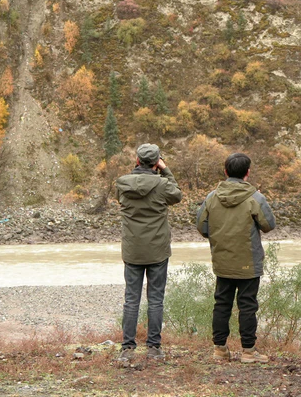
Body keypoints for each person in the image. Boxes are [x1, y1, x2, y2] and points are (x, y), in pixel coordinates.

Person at [197, 153, 276, 364]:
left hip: (222, 259)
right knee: (247, 305)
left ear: (225, 171)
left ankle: (219, 349)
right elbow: (269, 225)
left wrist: (218, 237)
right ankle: (248, 351)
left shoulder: (212, 197)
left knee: (222, 303)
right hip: (248, 261)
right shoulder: (255, 198)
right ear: (247, 173)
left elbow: (202, 226)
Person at [115, 143, 182, 361]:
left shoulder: (122, 184)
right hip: (157, 250)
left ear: (137, 161)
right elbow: (177, 195)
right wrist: (166, 170)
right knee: (155, 299)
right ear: (156, 163)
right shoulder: (162, 184)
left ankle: (127, 348)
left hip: (133, 249)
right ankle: (154, 347)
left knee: (131, 299)